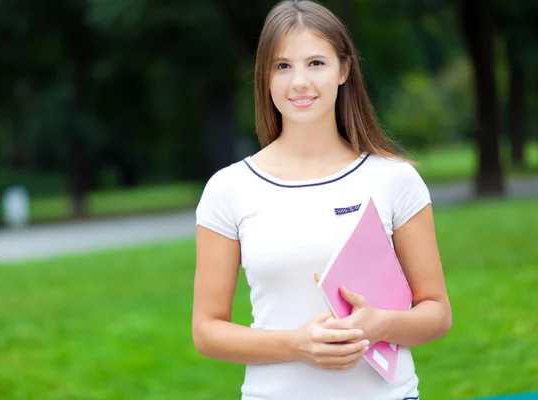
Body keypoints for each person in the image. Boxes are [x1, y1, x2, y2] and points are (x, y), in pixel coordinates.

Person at [191, 0, 452, 399]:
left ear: (344, 69)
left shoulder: (395, 179)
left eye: (316, 63)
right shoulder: (229, 189)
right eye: (283, 66)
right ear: (264, 76)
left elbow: (436, 314)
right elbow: (208, 331)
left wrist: (377, 324)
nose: (299, 82)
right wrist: (297, 344)